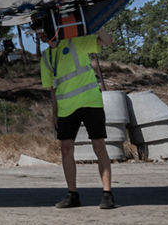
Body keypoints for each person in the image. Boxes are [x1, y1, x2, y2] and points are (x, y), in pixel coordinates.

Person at [33, 14, 115, 209]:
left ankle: (107, 193)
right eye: (39, 35)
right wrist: (54, 114)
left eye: (43, 33)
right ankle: (73, 194)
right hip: (66, 108)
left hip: (90, 103)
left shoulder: (75, 42)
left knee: (99, 146)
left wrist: (95, 22)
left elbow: (107, 41)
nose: (42, 37)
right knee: (66, 149)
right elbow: (52, 89)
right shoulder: (46, 58)